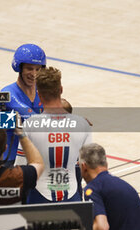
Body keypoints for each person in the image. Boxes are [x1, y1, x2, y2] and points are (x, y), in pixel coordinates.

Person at [15, 67, 92, 203]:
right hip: (72, 196)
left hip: (39, 196)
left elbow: (20, 170)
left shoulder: (29, 126)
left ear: (38, 93)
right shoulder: (82, 125)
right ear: (61, 89)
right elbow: (88, 169)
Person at [79, 143, 140, 230]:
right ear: (106, 164)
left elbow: (101, 227)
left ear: (84, 167)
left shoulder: (93, 188)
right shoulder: (123, 184)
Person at [0, 44, 46, 166]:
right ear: (19, 68)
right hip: (10, 159)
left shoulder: (41, 91)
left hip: (35, 156)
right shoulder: (5, 93)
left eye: (37, 69)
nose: (34, 74)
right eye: (29, 68)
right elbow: (34, 120)